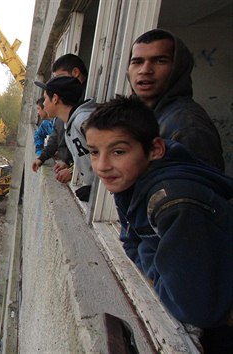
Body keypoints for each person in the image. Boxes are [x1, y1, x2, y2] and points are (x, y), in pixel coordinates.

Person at [85, 95, 233, 353]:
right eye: (94, 152)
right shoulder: (133, 182)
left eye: (118, 151)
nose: (102, 166)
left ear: (155, 149)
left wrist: (153, 264)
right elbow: (129, 241)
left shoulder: (174, 203)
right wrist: (158, 262)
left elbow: (193, 308)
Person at [128, 29, 224, 171]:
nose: (145, 70)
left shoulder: (187, 127)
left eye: (160, 61)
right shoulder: (145, 117)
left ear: (178, 68)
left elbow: (194, 190)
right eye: (137, 62)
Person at [33, 75, 97, 202]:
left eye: (45, 98)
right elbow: (87, 156)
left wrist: (95, 188)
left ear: (55, 99)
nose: (44, 103)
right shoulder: (69, 124)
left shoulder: (83, 121)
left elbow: (111, 158)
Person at [32, 54, 88, 185]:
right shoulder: (66, 118)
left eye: (60, 77)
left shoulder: (83, 119)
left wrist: (74, 170)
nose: (43, 105)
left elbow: (96, 155)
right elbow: (56, 135)